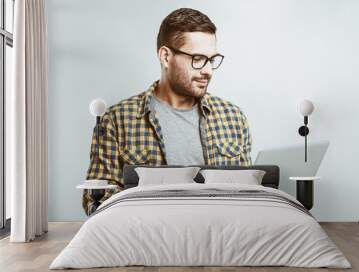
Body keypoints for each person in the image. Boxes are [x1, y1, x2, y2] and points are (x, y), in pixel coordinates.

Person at [83, 8, 252, 215]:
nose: (208, 70)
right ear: (165, 57)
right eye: (198, 58)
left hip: (220, 234)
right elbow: (97, 198)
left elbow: (248, 195)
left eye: (212, 59)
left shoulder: (233, 118)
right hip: (147, 236)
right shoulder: (117, 120)